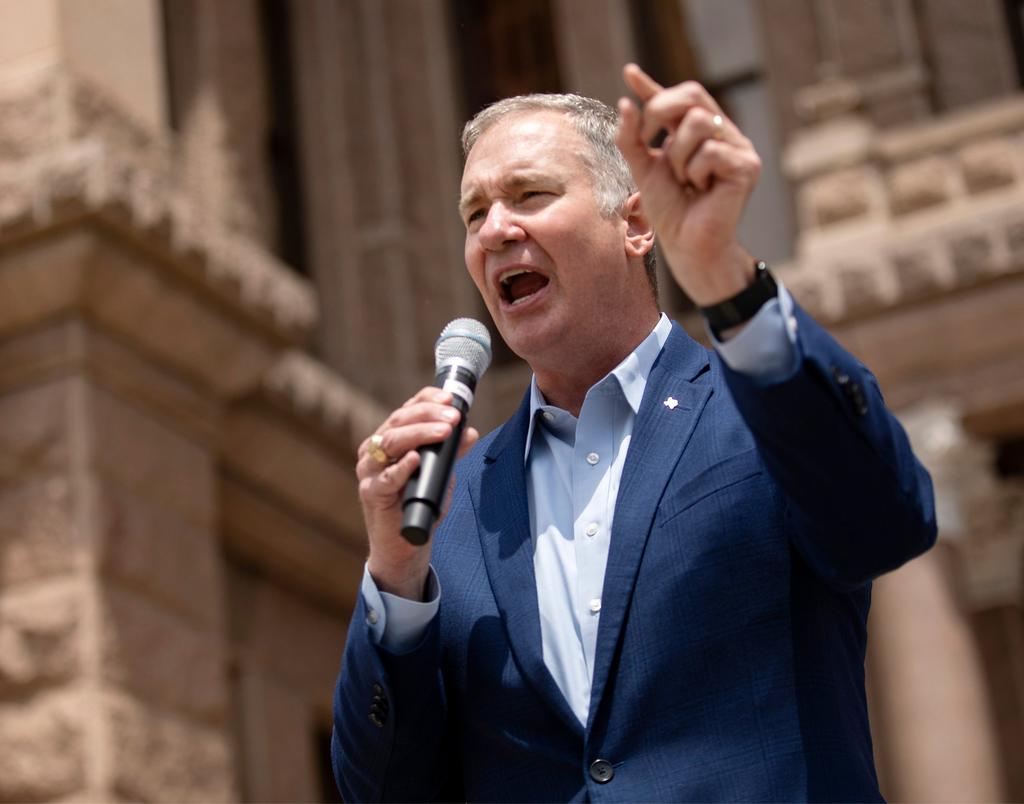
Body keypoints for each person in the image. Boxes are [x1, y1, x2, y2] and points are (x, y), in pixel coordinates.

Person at [331, 64, 936, 802]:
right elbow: (383, 790)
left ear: (637, 224)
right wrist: (394, 578)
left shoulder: (760, 411)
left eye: (529, 195)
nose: (494, 230)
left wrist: (725, 278)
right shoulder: (452, 505)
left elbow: (886, 523)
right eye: (473, 214)